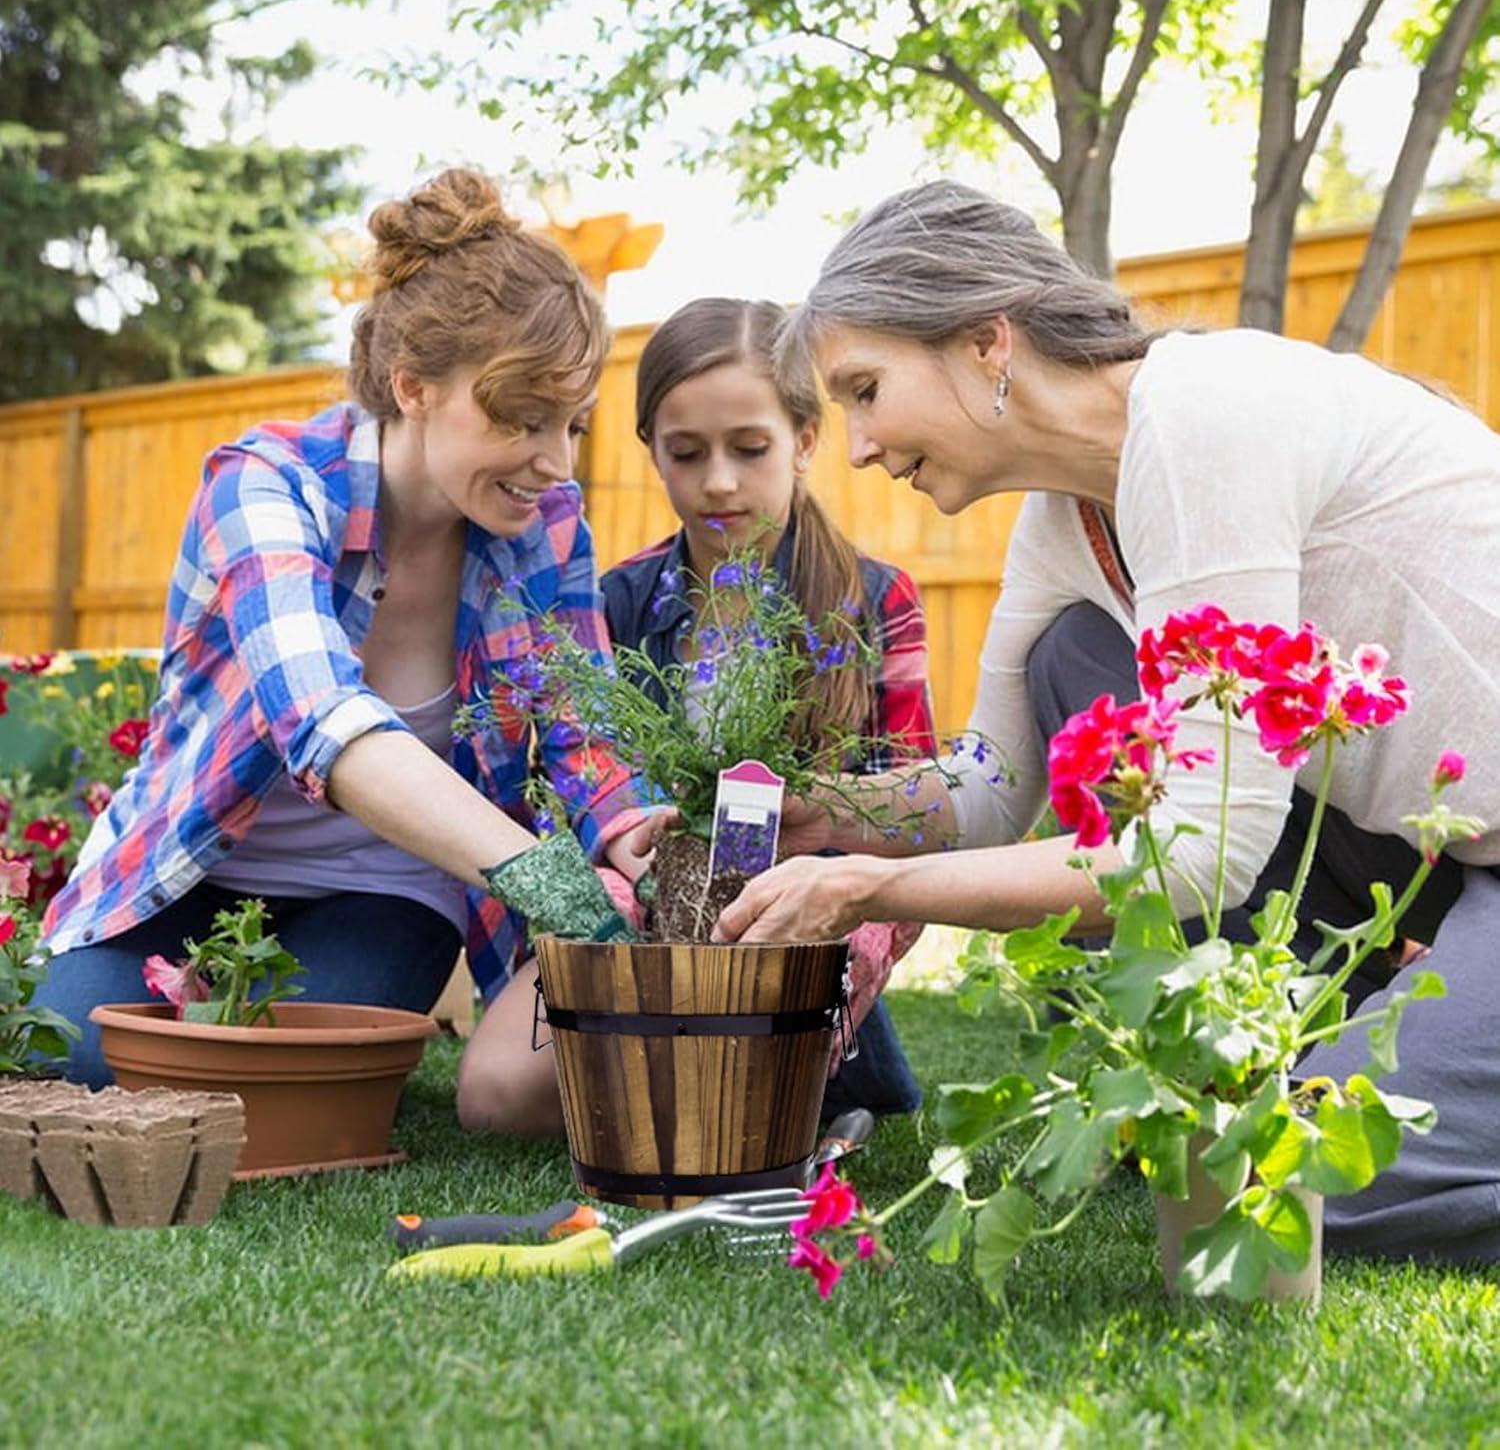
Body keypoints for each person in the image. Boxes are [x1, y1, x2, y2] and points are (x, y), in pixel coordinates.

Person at [713, 179, 1500, 1263]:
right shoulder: (1066, 516)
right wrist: (829, 814)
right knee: (1072, 657)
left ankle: (1393, 1060)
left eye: (864, 389)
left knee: (1308, 1183)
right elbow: (989, 786)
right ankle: (1324, 1037)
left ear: (987, 342)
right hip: (1420, 840)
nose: (851, 446)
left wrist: (875, 887)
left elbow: (1205, 850)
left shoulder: (1206, 416)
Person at [39, 169, 658, 1098]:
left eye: (571, 424)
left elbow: (581, 730)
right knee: (75, 1060)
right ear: (412, 387)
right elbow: (323, 722)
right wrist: (539, 875)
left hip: (382, 894)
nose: (555, 462)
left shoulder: (549, 525)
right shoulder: (266, 485)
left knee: (285, 1085)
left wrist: (628, 832)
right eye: (523, 419)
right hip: (192, 868)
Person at [599, 296, 939, 1116]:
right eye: (686, 453)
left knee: (764, 1029)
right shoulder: (620, 601)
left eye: (751, 449)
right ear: (652, 451)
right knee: (589, 921)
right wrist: (632, 850)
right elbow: (597, 781)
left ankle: (771, 1075)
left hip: (819, 891)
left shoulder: (876, 597)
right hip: (665, 889)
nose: (719, 481)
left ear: (805, 441)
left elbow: (918, 812)